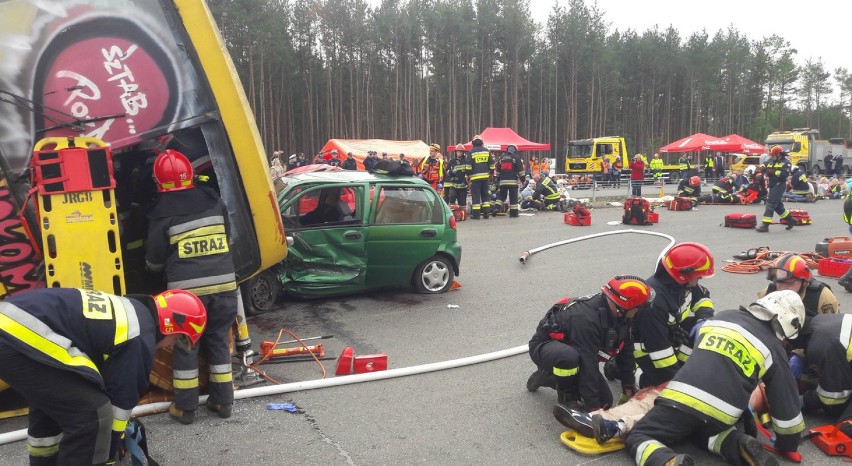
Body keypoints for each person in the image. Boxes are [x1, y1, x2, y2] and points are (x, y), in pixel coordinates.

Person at [0, 287, 207, 465]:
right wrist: (108, 455)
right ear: (171, 323)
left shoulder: (133, 311)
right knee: (93, 415)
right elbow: (120, 405)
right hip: (17, 336)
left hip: (12, 330)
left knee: (57, 403)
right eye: (179, 337)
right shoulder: (141, 336)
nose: (170, 345)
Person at [625, 290, 806, 466]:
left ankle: (668, 461)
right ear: (789, 325)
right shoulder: (775, 349)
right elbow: (785, 401)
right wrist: (787, 443)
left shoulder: (722, 317)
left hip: (681, 399)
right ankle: (735, 443)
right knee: (700, 431)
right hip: (725, 413)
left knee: (639, 436)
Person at [145, 149, 239, 425]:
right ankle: (223, 401)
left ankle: (186, 408)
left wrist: (152, 275)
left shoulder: (162, 214)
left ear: (158, 182)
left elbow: (155, 258)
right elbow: (228, 236)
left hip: (187, 297)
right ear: (191, 175)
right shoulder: (214, 201)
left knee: (187, 344)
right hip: (224, 286)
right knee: (219, 340)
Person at [526, 276, 654, 409]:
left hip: (576, 349)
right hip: (546, 346)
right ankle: (563, 394)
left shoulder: (619, 314)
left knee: (605, 402)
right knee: (568, 358)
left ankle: (556, 379)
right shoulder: (586, 320)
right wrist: (594, 410)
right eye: (639, 307)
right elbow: (588, 365)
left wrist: (628, 385)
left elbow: (626, 349)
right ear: (624, 307)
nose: (640, 311)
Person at [634, 242, 715, 388]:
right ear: (683, 276)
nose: (698, 282)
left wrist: (705, 319)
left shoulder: (682, 284)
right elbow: (659, 350)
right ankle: (621, 369)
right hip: (644, 348)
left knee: (700, 328)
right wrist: (677, 383)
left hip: (667, 334)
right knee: (658, 387)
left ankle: (683, 368)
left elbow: (702, 297)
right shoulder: (654, 302)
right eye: (698, 277)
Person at [793, 313, 852, 439]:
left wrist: (803, 401)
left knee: (845, 426)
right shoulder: (819, 321)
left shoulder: (819, 345)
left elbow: (831, 397)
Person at [758, 253, 838, 318]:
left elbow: (832, 329)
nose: (783, 289)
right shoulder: (768, 293)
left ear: (803, 282)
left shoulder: (822, 296)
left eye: (789, 283)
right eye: (779, 283)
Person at [757, 145, 795, 232]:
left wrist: (774, 172)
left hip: (779, 185)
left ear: (778, 154)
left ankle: (765, 225)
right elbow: (765, 164)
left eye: (773, 155)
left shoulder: (786, 162)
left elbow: (784, 175)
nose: (771, 156)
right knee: (778, 206)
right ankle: (791, 220)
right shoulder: (771, 160)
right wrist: (761, 167)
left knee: (770, 202)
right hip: (772, 184)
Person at [468, 135, 494, 219]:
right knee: (485, 195)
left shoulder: (471, 152)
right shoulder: (487, 151)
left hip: (475, 178)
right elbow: (492, 164)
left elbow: (468, 166)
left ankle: (476, 215)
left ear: (473, 143)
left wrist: (468, 175)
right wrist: (491, 173)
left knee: (476, 196)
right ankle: (486, 214)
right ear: (482, 142)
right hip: (485, 178)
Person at [495, 145, 524, 217]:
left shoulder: (501, 158)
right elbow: (520, 170)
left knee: (501, 196)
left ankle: (496, 208)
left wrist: (498, 179)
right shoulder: (516, 157)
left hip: (503, 181)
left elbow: (498, 170)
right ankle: (513, 214)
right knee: (513, 198)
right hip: (512, 182)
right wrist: (522, 179)